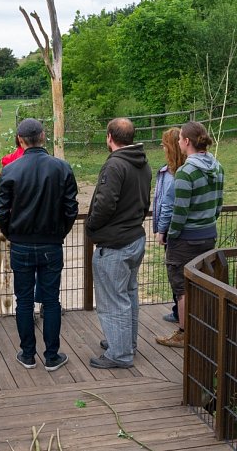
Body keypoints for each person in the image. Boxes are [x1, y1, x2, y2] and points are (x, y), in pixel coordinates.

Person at [0, 118, 78, 371]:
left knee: (24, 301)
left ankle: (28, 354)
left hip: (21, 244)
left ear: (20, 140)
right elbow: (71, 209)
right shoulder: (62, 168)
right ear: (43, 137)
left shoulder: (10, 171)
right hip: (51, 243)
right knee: (51, 301)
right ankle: (52, 356)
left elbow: (0, 212)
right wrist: (59, 233)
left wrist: (12, 234)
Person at [86, 118, 151, 369]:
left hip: (115, 244)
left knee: (113, 299)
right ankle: (125, 343)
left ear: (110, 137)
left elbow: (105, 203)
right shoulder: (142, 163)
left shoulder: (115, 165)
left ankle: (120, 354)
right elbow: (144, 201)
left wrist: (91, 226)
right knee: (128, 294)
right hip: (135, 237)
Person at [156, 121, 224, 348]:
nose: (177, 143)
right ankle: (204, 330)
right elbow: (218, 205)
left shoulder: (186, 171)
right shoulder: (217, 166)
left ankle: (184, 334)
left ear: (186, 142)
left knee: (182, 288)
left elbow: (180, 211)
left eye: (179, 139)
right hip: (208, 235)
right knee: (203, 283)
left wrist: (170, 235)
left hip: (186, 239)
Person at [153, 128, 186, 323]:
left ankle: (180, 316)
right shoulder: (170, 170)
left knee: (177, 276)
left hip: (174, 232)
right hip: (176, 231)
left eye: (165, 144)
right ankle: (178, 310)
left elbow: (167, 205)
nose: (162, 148)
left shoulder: (174, 174)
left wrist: (161, 230)